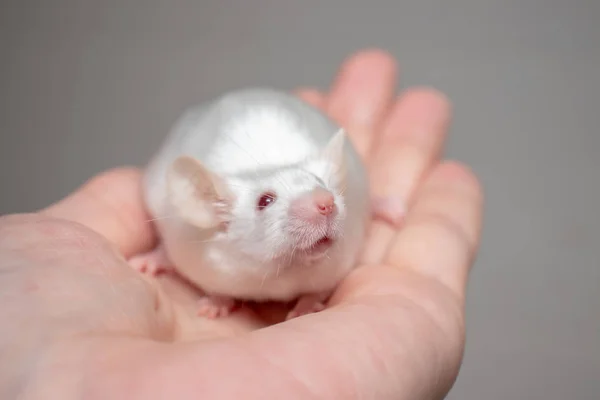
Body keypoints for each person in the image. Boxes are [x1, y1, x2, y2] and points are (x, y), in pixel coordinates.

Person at [0, 49, 483, 399]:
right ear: (212, 213)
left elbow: (340, 191)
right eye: (267, 201)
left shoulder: (336, 205)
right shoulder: (196, 232)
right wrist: (170, 249)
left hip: (299, 132)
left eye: (320, 186)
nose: (323, 204)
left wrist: (353, 210)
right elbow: (168, 183)